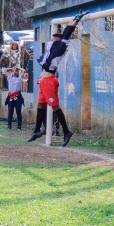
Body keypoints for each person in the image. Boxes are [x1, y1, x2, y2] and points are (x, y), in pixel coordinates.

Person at [28, 11, 87, 146]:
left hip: (50, 81)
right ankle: (37, 130)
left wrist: (76, 19)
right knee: (40, 106)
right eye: (53, 36)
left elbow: (67, 31)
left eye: (55, 37)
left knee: (55, 107)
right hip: (43, 80)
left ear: (59, 40)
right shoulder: (50, 47)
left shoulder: (60, 47)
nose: (53, 37)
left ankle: (66, 131)